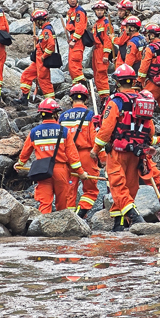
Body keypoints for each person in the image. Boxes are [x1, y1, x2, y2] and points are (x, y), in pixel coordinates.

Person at [93, 65, 160, 231]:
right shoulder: (143, 101)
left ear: (117, 82)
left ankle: (136, 217)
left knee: (117, 186)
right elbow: (149, 130)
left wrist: (95, 150)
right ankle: (119, 225)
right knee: (130, 187)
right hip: (137, 153)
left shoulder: (116, 101)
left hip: (118, 150)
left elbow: (106, 129)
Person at [16, 98, 88, 214]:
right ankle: (62, 227)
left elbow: (25, 152)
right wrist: (81, 172)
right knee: (62, 203)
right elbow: (72, 156)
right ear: (55, 114)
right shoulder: (64, 131)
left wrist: (19, 164)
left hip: (43, 171)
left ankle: (43, 229)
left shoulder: (34, 132)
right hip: (61, 171)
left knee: (45, 202)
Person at [60, 84, 99, 218]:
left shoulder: (63, 116)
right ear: (86, 99)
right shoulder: (90, 115)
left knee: (70, 188)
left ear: (71, 99)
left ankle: (70, 217)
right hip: (86, 155)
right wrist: (104, 158)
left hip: (67, 156)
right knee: (91, 189)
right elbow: (95, 138)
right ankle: (81, 211)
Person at [18, 9, 57, 104]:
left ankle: (51, 103)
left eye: (36, 21)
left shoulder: (46, 30)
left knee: (44, 82)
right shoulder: (45, 30)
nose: (35, 23)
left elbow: (51, 45)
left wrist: (44, 56)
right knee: (26, 75)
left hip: (42, 61)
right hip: (38, 61)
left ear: (40, 20)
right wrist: (38, 39)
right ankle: (24, 98)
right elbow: (45, 42)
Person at [89, 1, 114, 102]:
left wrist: (106, 55)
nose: (99, 12)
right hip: (96, 50)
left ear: (104, 11)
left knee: (102, 74)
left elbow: (108, 40)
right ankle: (101, 96)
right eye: (98, 10)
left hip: (102, 51)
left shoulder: (106, 23)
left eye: (101, 10)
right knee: (96, 75)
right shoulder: (96, 24)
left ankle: (105, 97)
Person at [63, 0, 88, 85]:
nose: (72, 0)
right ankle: (76, 86)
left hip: (77, 41)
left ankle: (82, 85)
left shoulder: (79, 11)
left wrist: (74, 39)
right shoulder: (71, 11)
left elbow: (80, 28)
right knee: (71, 65)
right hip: (73, 39)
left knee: (75, 64)